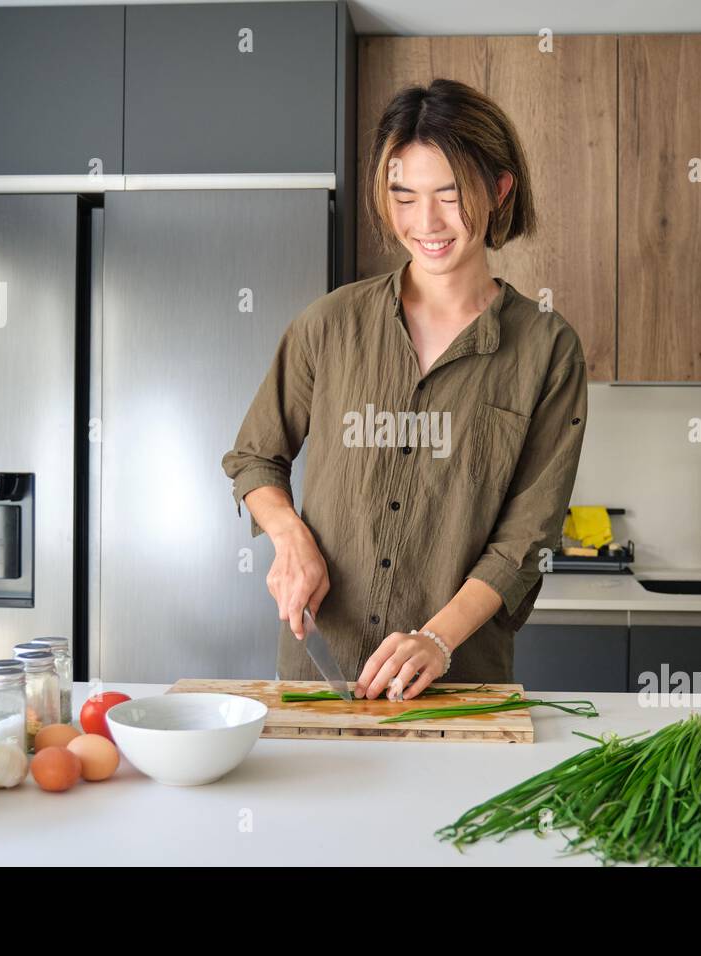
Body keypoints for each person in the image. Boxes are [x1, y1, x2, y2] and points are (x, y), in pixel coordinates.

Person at [221, 78, 587, 701]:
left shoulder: (548, 349)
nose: (427, 223)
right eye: (405, 197)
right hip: (320, 670)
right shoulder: (329, 324)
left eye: (450, 195)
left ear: (499, 192)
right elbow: (256, 458)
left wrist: (437, 639)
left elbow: (523, 542)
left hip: (454, 680)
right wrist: (289, 536)